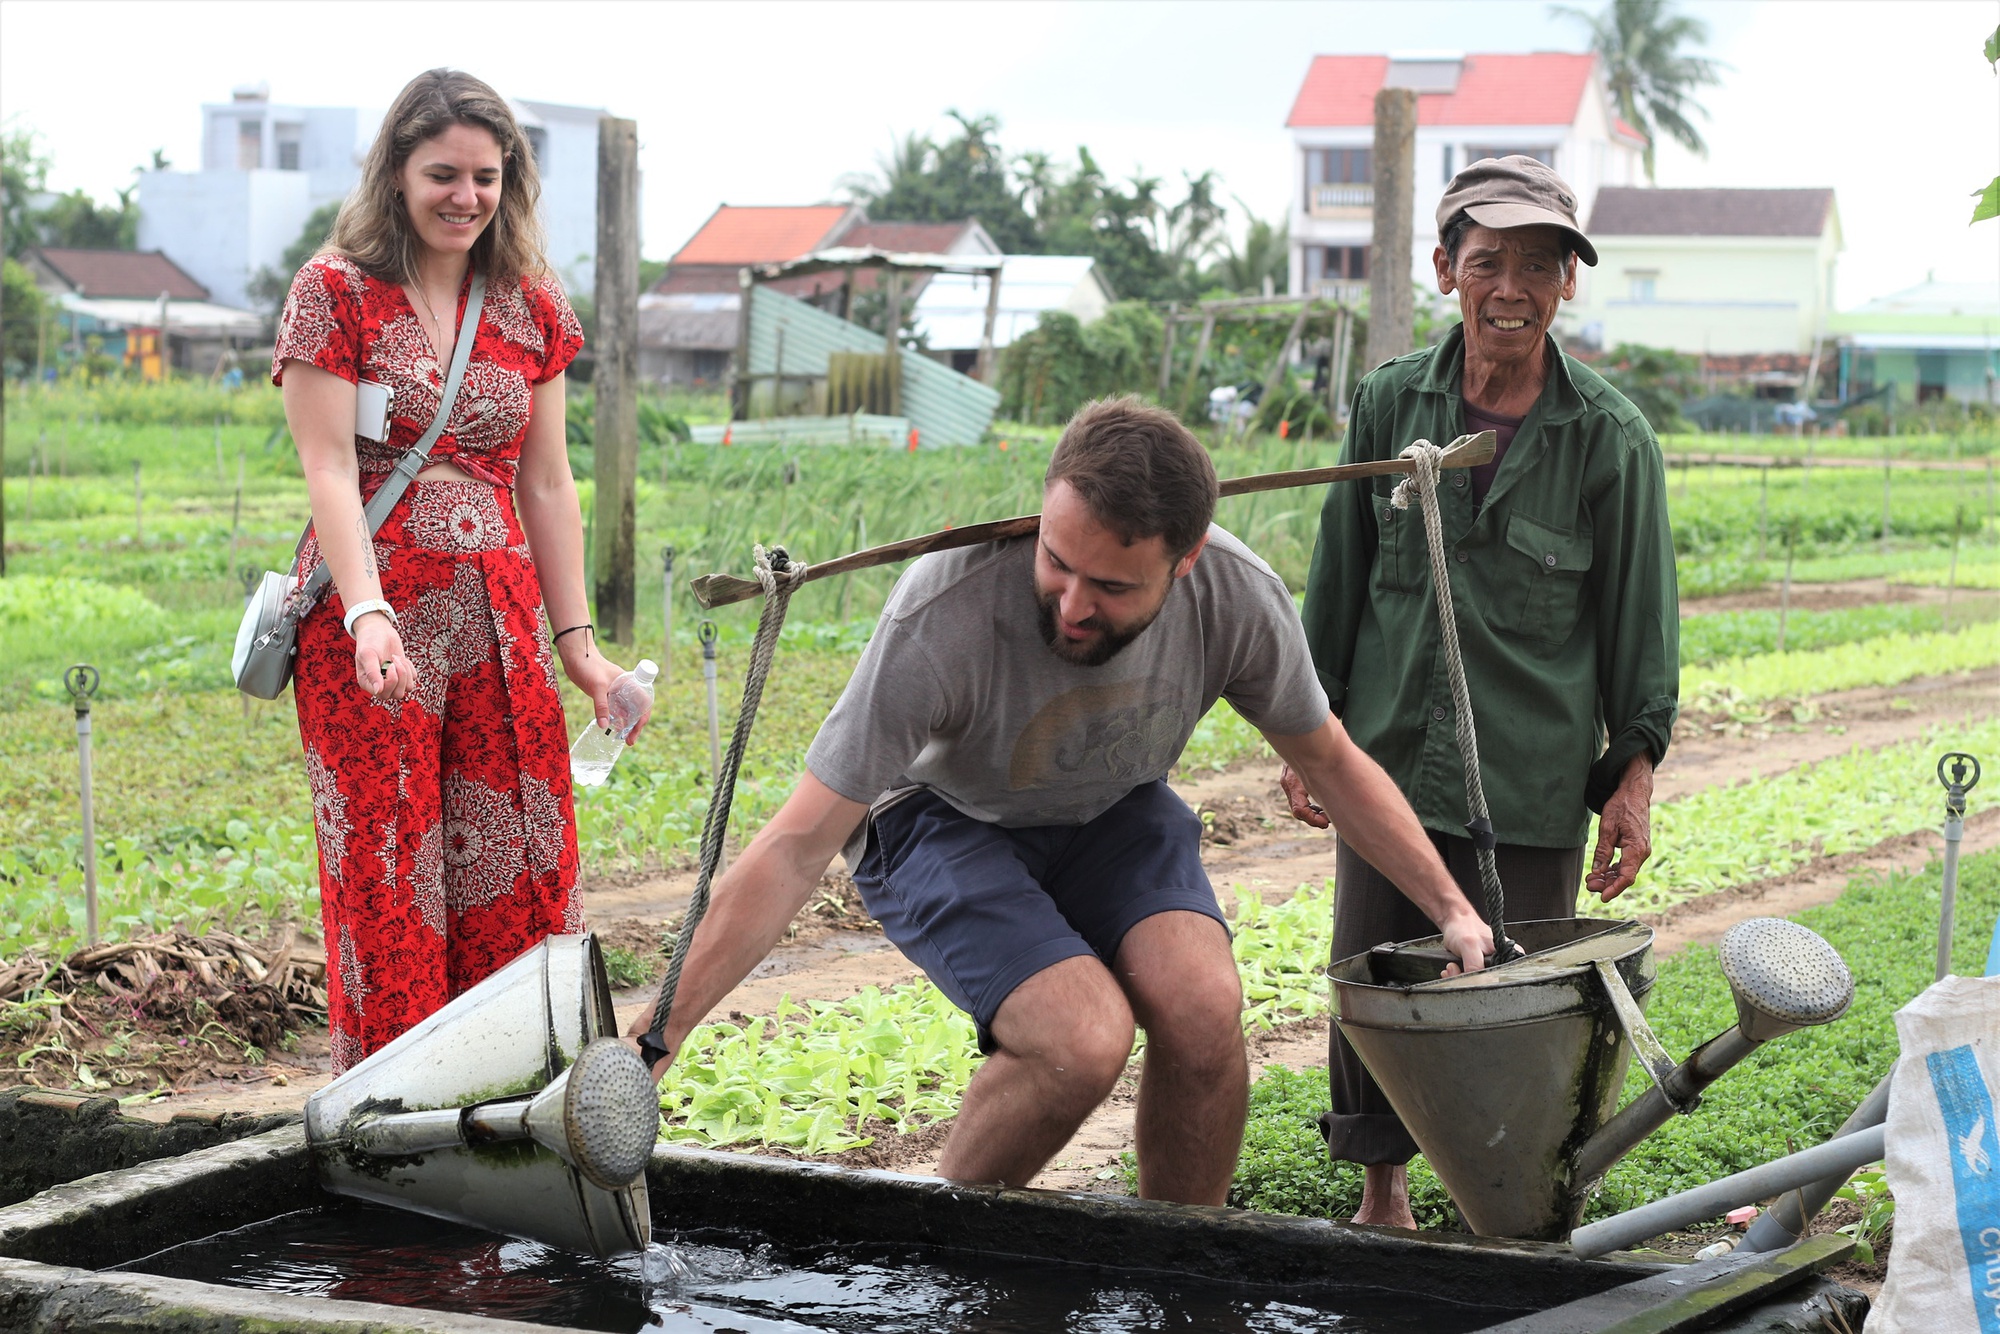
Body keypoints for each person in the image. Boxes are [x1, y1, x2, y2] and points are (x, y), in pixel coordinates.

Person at [628, 397, 1493, 1205]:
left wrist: (1450, 908)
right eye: (1057, 561)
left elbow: (1332, 761)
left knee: (1201, 1010)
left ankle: (1180, 1278)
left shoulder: (1236, 594)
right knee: (1078, 1040)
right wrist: (654, 1039)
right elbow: (794, 844)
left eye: (1113, 588)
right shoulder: (943, 613)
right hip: (942, 814)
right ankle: (946, 1262)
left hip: (1114, 802)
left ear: (1184, 562)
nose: (1073, 605)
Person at [1282, 155, 1679, 1228]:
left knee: (1519, 996)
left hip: (1531, 768)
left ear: (1567, 284)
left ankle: (1507, 1197)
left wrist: (1629, 778)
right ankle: (1382, 1190)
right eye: (1489, 260)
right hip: (1388, 761)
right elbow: (1340, 570)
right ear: (1444, 267)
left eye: (1539, 265)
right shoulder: (1387, 403)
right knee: (1374, 970)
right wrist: (1304, 726)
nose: (1512, 286)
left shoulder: (1609, 437)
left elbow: (1640, 624)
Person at [273, 69, 648, 1073]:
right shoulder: (334, 293)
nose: (464, 197)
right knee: (389, 882)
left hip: (503, 618)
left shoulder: (531, 304)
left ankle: (522, 1105)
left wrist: (582, 651)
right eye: (442, 173)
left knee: (522, 864)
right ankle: (393, 1128)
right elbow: (327, 465)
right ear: (396, 173)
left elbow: (550, 482)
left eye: (486, 176)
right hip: (373, 621)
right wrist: (364, 612)